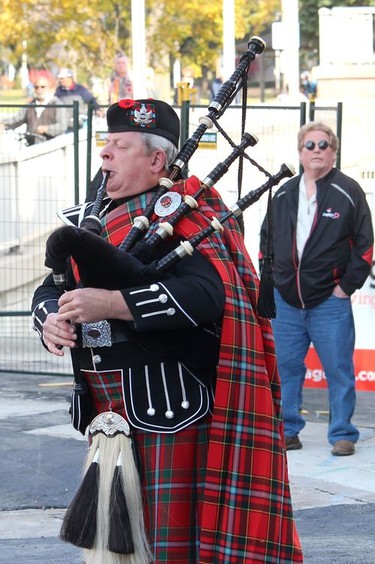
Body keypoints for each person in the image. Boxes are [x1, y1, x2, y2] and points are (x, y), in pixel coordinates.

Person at [31, 98, 303, 563]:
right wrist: (50, 320)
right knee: (117, 547)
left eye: (120, 146)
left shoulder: (183, 216)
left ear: (158, 160)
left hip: (168, 408)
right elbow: (49, 288)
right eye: (106, 144)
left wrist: (115, 303)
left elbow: (207, 294)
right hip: (105, 411)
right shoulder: (89, 219)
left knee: (167, 546)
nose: (105, 154)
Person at [260, 121, 374, 456]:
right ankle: (289, 430)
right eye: (310, 146)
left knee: (338, 368)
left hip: (330, 301)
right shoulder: (282, 193)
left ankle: (342, 433)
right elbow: (266, 240)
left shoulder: (348, 191)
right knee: (285, 369)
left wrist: (345, 288)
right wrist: (273, 283)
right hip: (286, 303)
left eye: (324, 145)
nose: (317, 151)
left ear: (334, 151)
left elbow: (365, 245)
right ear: (299, 152)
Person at [0, 76, 68, 144]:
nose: (39, 89)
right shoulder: (30, 105)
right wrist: (4, 124)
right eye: (36, 87)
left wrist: (46, 129)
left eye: (43, 87)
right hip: (31, 145)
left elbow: (62, 126)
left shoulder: (58, 104)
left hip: (51, 145)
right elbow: (17, 119)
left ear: (49, 88)